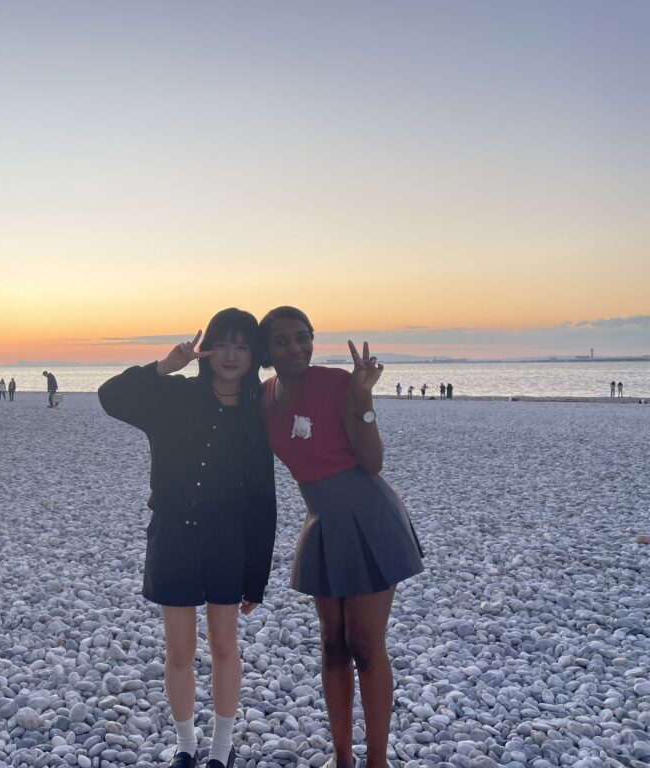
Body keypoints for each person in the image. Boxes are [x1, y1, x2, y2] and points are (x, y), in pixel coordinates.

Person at [99, 309, 277, 768]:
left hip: (227, 542)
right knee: (179, 649)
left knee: (224, 645)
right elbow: (110, 396)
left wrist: (257, 576)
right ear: (207, 349)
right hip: (173, 537)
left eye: (242, 346)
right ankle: (185, 745)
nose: (232, 355)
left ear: (253, 354)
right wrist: (162, 366)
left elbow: (263, 498)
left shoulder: (258, 413)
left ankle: (221, 749)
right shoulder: (172, 396)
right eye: (223, 344)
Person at [258, 306, 424, 768]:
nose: (295, 347)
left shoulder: (335, 383)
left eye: (302, 337)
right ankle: (342, 759)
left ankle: (376, 762)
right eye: (281, 341)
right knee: (332, 643)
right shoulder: (263, 397)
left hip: (369, 515)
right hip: (322, 520)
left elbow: (371, 464)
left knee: (366, 646)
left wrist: (363, 397)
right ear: (265, 352)